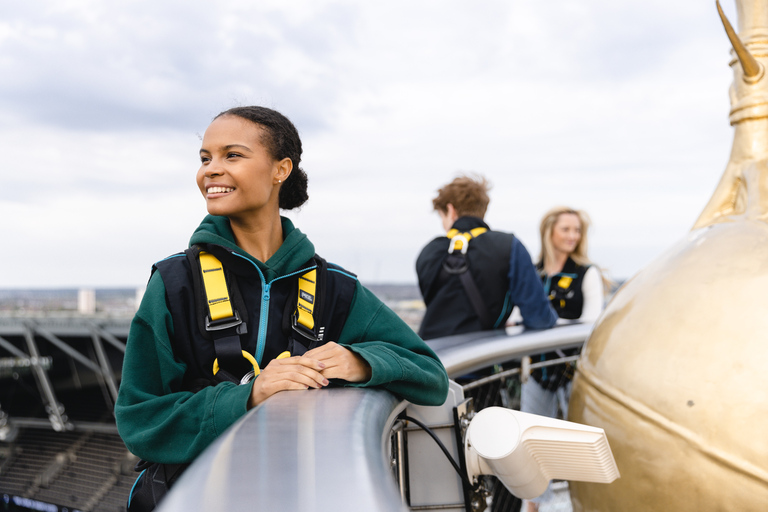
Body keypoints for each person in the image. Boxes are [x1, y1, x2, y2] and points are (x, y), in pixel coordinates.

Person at [115, 106, 449, 510]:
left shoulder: (335, 287)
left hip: (297, 496)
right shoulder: (173, 282)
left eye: (232, 155)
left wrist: (358, 361)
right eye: (205, 158)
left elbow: (430, 375)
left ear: (280, 169)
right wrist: (249, 395)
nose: (210, 170)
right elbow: (140, 419)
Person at [521, 206, 606, 512]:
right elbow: (516, 319)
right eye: (566, 229)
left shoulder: (587, 273)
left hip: (575, 372)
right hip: (537, 373)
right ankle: (532, 507)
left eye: (577, 230)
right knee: (534, 445)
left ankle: (588, 504)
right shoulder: (532, 273)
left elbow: (591, 322)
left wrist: (547, 326)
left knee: (581, 444)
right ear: (549, 232)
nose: (573, 236)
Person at [416, 175, 556, 340]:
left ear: (451, 210)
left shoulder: (428, 252)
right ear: (483, 208)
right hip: (479, 356)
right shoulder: (509, 246)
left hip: (428, 354)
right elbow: (539, 318)